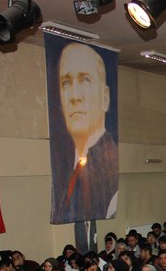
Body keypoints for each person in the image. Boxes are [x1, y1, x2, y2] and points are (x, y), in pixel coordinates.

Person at [50, 43, 118, 225]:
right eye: (66, 83)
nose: (75, 96)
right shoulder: (67, 174)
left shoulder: (109, 166)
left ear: (105, 98)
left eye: (84, 80)